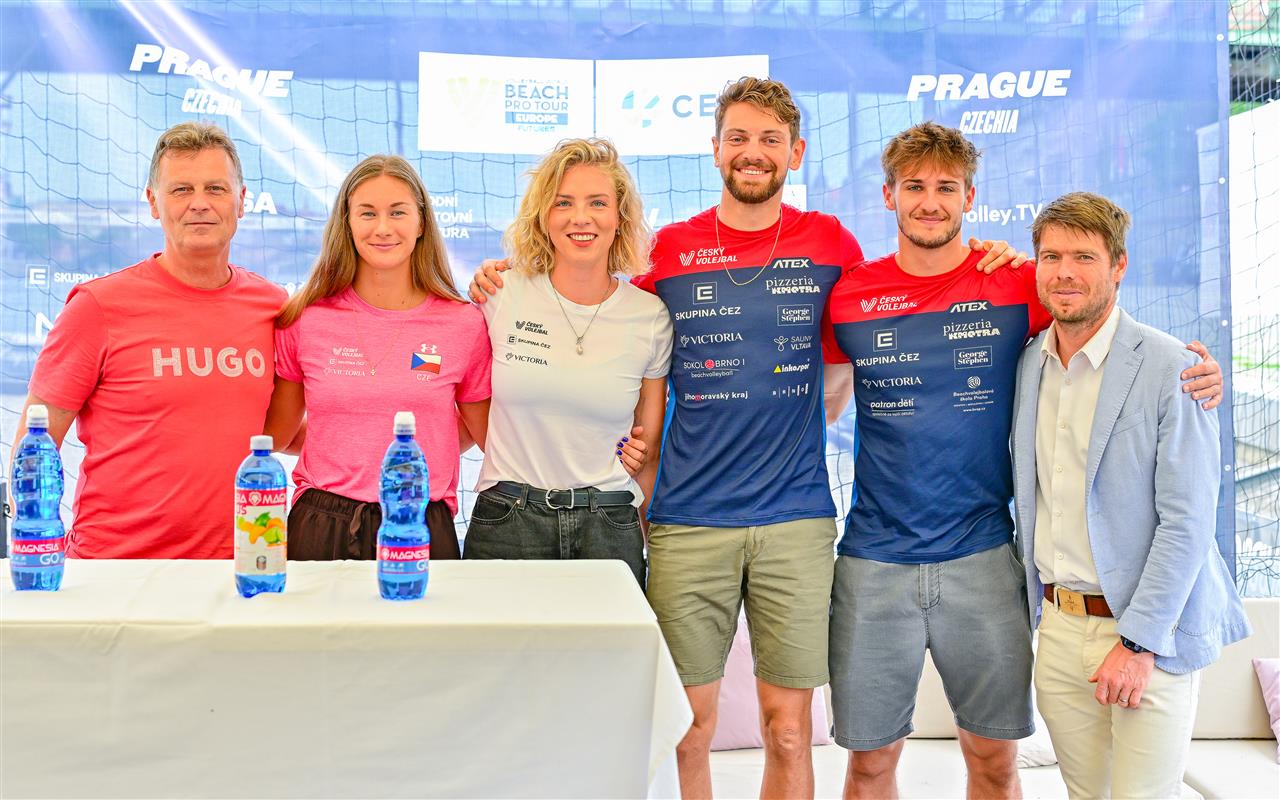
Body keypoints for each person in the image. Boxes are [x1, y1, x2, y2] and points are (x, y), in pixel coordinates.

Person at [471, 78, 1023, 799]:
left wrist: (992, 255)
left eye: (770, 139)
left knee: (789, 730)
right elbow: (595, 303)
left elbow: (853, 355)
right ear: (715, 149)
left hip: (796, 521)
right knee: (687, 728)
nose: (753, 152)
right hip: (687, 522)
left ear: (795, 152)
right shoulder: (669, 251)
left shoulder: (831, 244)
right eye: (738, 137)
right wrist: (502, 274)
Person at [821, 123, 1223, 799]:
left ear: (970, 197)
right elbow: (821, 396)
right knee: (868, 764)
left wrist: (1200, 374)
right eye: (914, 186)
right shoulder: (850, 295)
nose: (930, 202)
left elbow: (1099, 320)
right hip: (873, 559)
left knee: (993, 762)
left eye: (946, 187)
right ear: (888, 195)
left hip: (984, 556)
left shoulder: (1015, 283)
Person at [1013, 192, 1250, 799]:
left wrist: (1138, 643)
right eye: (1051, 257)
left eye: (1084, 257)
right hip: (1058, 629)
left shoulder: (1175, 367)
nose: (1065, 272)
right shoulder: (1027, 364)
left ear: (1119, 265)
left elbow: (1187, 523)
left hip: (1148, 635)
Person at [13, 122, 286, 558]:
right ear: (153, 202)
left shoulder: (273, 307)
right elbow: (35, 443)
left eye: (215, 188)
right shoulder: (97, 307)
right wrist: (36, 553)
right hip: (115, 569)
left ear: (241, 201)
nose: (199, 203)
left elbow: (280, 430)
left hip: (239, 566)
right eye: (181, 190)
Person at [461, 138, 672, 588]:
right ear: (543, 216)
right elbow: (467, 399)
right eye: (563, 202)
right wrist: (510, 448)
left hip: (608, 525)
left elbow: (646, 447)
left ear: (620, 217)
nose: (581, 217)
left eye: (598, 202)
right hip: (508, 520)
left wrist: (650, 543)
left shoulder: (650, 316)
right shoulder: (499, 293)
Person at [263, 155, 490, 561]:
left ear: (421, 223)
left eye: (397, 212)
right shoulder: (305, 318)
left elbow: (482, 432)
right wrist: (348, 445)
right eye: (367, 213)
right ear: (347, 223)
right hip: (321, 521)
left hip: (421, 521)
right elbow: (278, 434)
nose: (383, 227)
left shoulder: (464, 323)